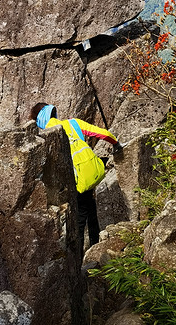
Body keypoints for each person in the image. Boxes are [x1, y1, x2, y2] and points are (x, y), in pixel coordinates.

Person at [31, 102, 120, 247]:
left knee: (79, 217)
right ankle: (96, 246)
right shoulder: (73, 123)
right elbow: (104, 134)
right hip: (87, 172)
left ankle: (80, 256)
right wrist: (116, 143)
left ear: (40, 120)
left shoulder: (44, 136)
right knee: (90, 207)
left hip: (73, 180)